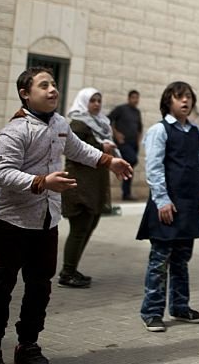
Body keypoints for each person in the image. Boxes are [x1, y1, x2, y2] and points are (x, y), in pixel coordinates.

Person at [0, 68, 133, 364]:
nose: (52, 90)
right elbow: (2, 174)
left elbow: (78, 149)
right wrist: (41, 182)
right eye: (43, 85)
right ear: (25, 93)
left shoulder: (60, 123)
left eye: (54, 85)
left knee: (39, 286)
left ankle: (28, 345)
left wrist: (110, 161)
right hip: (10, 222)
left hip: (47, 221)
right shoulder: (16, 129)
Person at [136, 81, 199, 333]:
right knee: (160, 260)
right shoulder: (160, 130)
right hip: (166, 205)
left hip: (189, 206)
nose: (185, 101)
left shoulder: (197, 133)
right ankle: (152, 312)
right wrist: (162, 200)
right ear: (168, 101)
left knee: (182, 259)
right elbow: (154, 168)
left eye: (189, 97)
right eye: (179, 97)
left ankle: (180, 307)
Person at [58, 87, 118, 289]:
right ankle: (67, 272)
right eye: (92, 100)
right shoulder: (77, 125)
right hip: (80, 185)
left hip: (95, 184)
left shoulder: (100, 125)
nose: (97, 104)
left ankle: (72, 269)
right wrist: (103, 149)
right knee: (79, 228)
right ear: (84, 102)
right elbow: (76, 152)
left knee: (88, 227)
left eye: (99, 100)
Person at [109, 90, 143, 200]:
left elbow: (139, 128)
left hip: (133, 145)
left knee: (130, 167)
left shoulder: (137, 112)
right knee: (132, 160)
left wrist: (138, 141)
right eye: (133, 97)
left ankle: (126, 193)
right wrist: (116, 134)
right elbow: (107, 120)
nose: (135, 100)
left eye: (137, 98)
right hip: (123, 143)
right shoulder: (121, 109)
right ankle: (125, 190)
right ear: (129, 98)